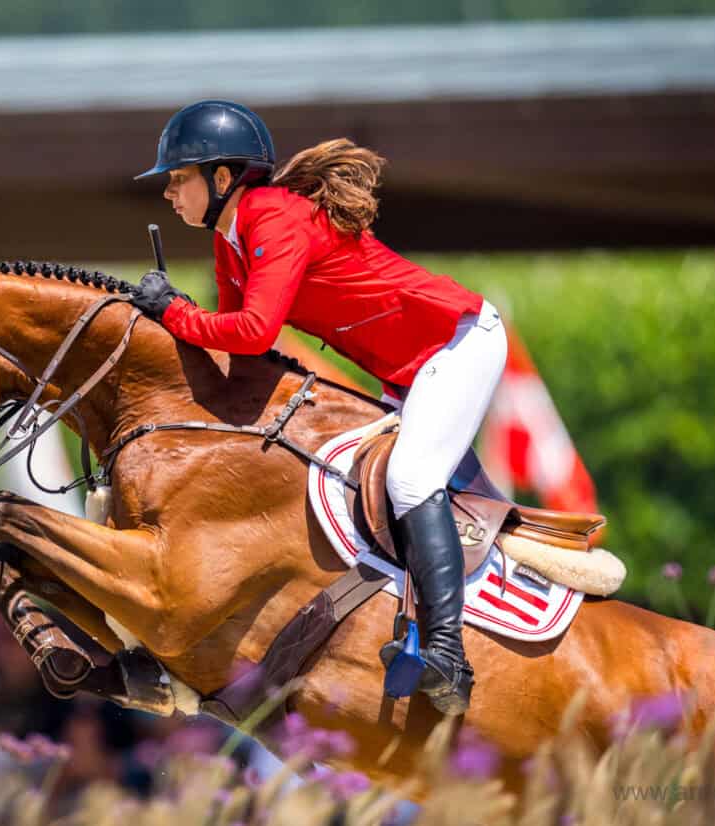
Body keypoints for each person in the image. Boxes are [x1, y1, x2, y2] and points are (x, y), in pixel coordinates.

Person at [130, 100, 508, 714]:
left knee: (412, 481)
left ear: (222, 179)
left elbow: (250, 330)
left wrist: (171, 312)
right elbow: (244, 362)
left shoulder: (272, 218)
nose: (169, 194)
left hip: (458, 343)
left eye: (179, 179)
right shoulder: (232, 242)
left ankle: (446, 652)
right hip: (404, 371)